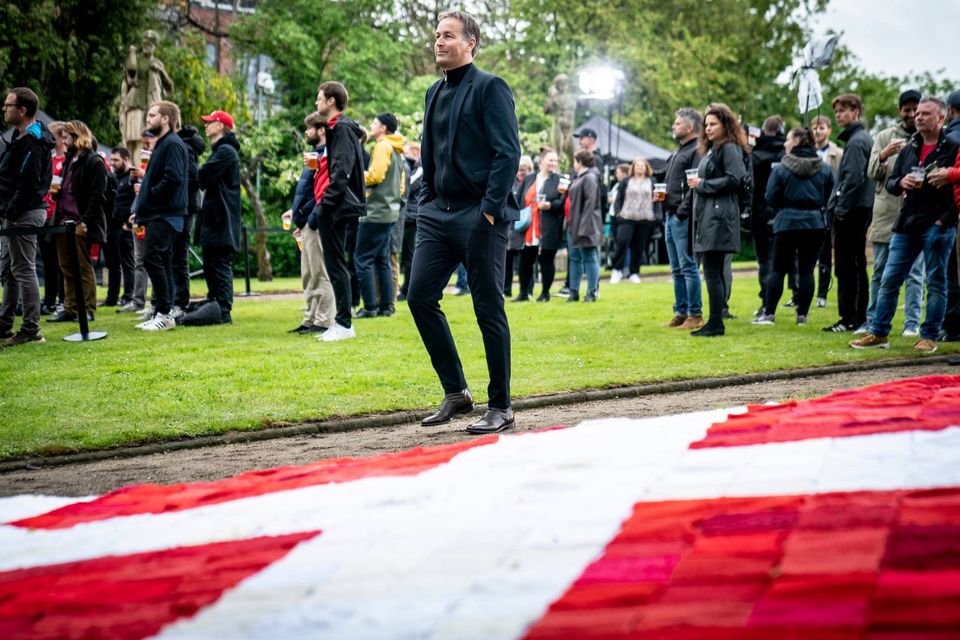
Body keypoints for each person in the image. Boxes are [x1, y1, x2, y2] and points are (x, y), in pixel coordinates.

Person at [408, 10, 521, 434]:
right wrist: (427, 200)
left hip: (480, 215)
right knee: (419, 297)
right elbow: (430, 151)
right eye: (437, 35)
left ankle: (501, 406)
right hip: (437, 213)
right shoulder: (433, 92)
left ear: (470, 43)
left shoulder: (490, 87)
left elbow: (508, 152)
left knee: (488, 308)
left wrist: (488, 211)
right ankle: (456, 392)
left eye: (448, 36)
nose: (439, 42)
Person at [850, 97, 960, 353]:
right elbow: (891, 182)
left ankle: (929, 336)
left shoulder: (953, 147)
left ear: (941, 118)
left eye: (925, 114)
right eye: (917, 113)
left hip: (938, 224)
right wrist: (901, 183)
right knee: (889, 279)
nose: (918, 117)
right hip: (907, 223)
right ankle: (879, 333)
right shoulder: (910, 146)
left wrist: (943, 221)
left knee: (935, 281)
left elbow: (957, 191)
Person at [752, 127, 834, 326]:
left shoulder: (781, 168)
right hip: (814, 223)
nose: (785, 143)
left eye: (788, 139)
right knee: (807, 270)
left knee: (778, 269)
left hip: (787, 222)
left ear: (797, 141)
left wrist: (783, 206)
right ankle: (802, 315)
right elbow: (831, 193)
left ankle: (769, 313)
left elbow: (770, 196)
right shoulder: (824, 168)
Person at [305, 81, 366, 342]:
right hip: (334, 205)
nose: (316, 102)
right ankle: (341, 322)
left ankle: (343, 324)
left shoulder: (341, 128)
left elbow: (342, 172)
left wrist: (324, 205)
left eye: (319, 98)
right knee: (335, 265)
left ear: (331, 101)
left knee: (336, 265)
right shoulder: (336, 129)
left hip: (337, 207)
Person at [860, 90, 924, 337]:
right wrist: (884, 155)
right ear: (900, 111)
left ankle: (912, 323)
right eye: (907, 110)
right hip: (886, 214)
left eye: (915, 109)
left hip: (915, 215)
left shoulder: (927, 138)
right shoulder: (884, 136)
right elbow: (871, 173)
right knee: (880, 271)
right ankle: (872, 321)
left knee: (915, 274)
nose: (911, 114)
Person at [688, 103, 749, 337]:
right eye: (706, 124)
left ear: (725, 124)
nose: (708, 128)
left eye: (713, 124)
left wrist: (703, 184)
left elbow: (735, 179)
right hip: (710, 214)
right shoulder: (713, 149)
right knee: (712, 270)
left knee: (713, 270)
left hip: (719, 216)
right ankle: (715, 320)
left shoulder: (729, 148)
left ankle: (716, 322)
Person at [0, 87, 54, 347]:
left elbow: (28, 183)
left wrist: (12, 212)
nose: (4, 109)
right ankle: (4, 324)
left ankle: (31, 329)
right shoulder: (22, 137)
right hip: (15, 212)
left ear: (22, 110)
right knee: (8, 270)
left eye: (8, 105)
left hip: (24, 213)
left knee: (23, 269)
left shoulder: (32, 141)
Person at [132, 100, 190, 331]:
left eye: (152, 115)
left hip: (166, 213)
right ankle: (163, 312)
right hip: (159, 212)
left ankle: (165, 313)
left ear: (165, 119)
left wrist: (151, 195)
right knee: (161, 260)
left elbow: (173, 178)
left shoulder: (172, 143)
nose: (148, 119)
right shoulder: (163, 143)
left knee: (152, 258)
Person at [824, 94, 875, 333]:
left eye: (843, 110)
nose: (838, 115)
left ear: (856, 112)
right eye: (836, 111)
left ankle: (850, 317)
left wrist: (841, 208)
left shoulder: (856, 141)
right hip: (859, 208)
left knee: (847, 266)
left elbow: (853, 178)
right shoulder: (859, 139)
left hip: (853, 210)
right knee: (855, 264)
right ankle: (856, 315)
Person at [48, 120, 107, 324]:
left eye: (66, 137)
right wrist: (57, 194)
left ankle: (88, 309)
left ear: (77, 136)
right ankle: (70, 308)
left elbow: (98, 196)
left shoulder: (95, 161)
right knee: (66, 267)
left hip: (80, 222)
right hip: (62, 221)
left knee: (83, 267)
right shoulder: (69, 160)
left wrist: (85, 222)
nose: (63, 141)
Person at [192, 109, 241, 325]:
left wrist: (191, 164)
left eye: (210, 122)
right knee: (211, 263)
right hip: (215, 217)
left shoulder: (226, 151)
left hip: (221, 219)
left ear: (220, 126)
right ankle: (215, 304)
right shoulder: (221, 151)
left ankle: (223, 309)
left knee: (219, 263)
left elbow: (202, 176)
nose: (206, 125)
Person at [355, 112, 405, 318]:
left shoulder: (383, 146)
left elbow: (375, 175)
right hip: (389, 211)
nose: (371, 125)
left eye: (374, 123)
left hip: (375, 211)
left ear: (383, 128)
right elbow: (401, 187)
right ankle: (386, 306)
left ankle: (369, 307)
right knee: (382, 259)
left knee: (362, 258)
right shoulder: (397, 149)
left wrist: (354, 176)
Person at [289, 113, 335, 334]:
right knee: (308, 273)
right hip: (306, 222)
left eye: (309, 128)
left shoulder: (326, 156)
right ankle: (310, 318)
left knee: (319, 272)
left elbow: (323, 192)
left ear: (321, 130)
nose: (306, 132)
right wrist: (297, 214)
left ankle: (324, 320)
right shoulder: (314, 155)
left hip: (315, 221)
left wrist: (310, 217)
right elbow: (307, 191)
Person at [662, 108, 703, 330]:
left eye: (677, 123)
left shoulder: (696, 151)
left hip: (682, 216)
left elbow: (693, 187)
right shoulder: (679, 151)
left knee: (688, 266)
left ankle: (695, 314)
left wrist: (681, 213)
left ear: (689, 127)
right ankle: (681, 312)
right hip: (670, 215)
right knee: (676, 269)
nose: (673, 126)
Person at [515, 148, 564, 302]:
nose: (553, 163)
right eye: (550, 160)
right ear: (541, 161)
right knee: (525, 262)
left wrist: (551, 205)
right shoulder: (529, 179)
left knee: (546, 261)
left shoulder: (561, 180)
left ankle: (545, 293)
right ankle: (523, 293)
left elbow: (563, 202)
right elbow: (519, 200)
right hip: (528, 228)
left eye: (555, 160)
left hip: (549, 228)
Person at [750, 116, 786, 311]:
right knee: (783, 259)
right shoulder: (786, 154)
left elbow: (751, 185)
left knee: (765, 259)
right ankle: (796, 298)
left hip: (761, 211)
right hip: (783, 210)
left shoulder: (755, 155)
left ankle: (767, 301)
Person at [171, 123, 205, 318]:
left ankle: (179, 302)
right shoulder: (186, 145)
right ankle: (173, 301)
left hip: (183, 206)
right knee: (176, 255)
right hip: (185, 205)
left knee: (178, 256)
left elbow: (193, 177)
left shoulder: (184, 146)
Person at [811, 115, 843, 308]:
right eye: (814, 127)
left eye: (821, 127)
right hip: (810, 205)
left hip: (828, 207)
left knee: (825, 252)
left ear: (829, 130)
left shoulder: (837, 154)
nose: (817, 131)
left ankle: (822, 293)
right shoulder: (806, 152)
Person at [611, 157, 658, 284]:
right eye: (638, 165)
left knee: (639, 247)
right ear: (633, 167)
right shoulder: (626, 181)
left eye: (642, 165)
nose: (640, 167)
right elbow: (619, 199)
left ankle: (634, 273)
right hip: (627, 217)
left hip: (645, 218)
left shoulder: (652, 181)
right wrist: (618, 213)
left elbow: (657, 199)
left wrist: (656, 215)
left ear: (646, 168)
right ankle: (616, 270)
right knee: (622, 242)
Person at [567, 150, 603, 302]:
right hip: (575, 224)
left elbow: (590, 204)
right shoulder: (579, 177)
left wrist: (584, 227)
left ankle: (591, 291)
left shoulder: (589, 177)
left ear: (580, 162)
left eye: (575, 161)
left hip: (586, 226)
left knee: (589, 258)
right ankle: (573, 291)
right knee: (574, 258)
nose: (573, 164)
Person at [39, 120, 67, 314]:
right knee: (48, 261)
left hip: (60, 217)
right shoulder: (48, 159)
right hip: (45, 215)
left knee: (62, 262)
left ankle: (64, 300)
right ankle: (49, 300)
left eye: (51, 135)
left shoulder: (67, 161)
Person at [104, 147, 136, 308]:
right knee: (112, 263)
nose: (112, 163)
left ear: (125, 159)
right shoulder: (114, 177)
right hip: (111, 224)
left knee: (127, 263)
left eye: (116, 160)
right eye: (111, 160)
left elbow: (136, 200)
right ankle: (111, 298)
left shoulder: (133, 176)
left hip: (125, 226)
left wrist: (129, 224)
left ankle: (128, 296)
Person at [505, 156, 532, 298]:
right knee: (507, 259)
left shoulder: (532, 182)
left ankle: (527, 289)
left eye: (524, 170)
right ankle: (506, 289)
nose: (521, 173)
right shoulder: (511, 182)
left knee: (525, 260)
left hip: (526, 225)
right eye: (519, 170)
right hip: (511, 226)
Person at [398, 143, 421, 301]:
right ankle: (406, 288)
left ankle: (407, 288)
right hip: (409, 215)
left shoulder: (419, 170)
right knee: (408, 254)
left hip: (412, 216)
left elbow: (408, 185)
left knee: (409, 255)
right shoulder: (414, 169)